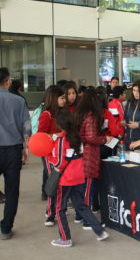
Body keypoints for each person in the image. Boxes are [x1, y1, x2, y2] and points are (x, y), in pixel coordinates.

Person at [48, 109, 109, 247]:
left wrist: (48, 155)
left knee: (59, 209)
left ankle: (65, 238)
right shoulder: (78, 138)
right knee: (81, 206)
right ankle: (100, 231)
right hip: (79, 177)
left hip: (65, 180)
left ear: (59, 124)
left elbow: (59, 162)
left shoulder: (61, 140)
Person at [0, 67, 31, 240]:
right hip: (13, 150)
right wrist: (25, 147)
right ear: (7, 81)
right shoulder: (18, 100)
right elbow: (26, 125)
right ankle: (6, 228)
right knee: (12, 191)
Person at [75, 87, 112, 228]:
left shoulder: (79, 114)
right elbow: (91, 137)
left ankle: (79, 216)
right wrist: (105, 139)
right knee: (87, 189)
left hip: (79, 155)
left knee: (80, 188)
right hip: (89, 156)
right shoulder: (91, 116)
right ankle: (87, 220)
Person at [38, 85, 66, 226]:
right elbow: (40, 136)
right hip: (50, 155)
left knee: (62, 184)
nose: (64, 100)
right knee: (53, 183)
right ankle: (50, 213)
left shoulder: (62, 113)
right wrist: (56, 135)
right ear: (54, 98)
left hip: (63, 153)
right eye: (61, 98)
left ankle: (59, 208)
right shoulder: (46, 115)